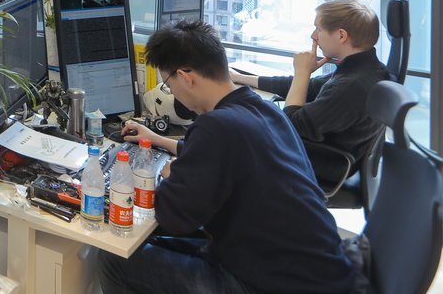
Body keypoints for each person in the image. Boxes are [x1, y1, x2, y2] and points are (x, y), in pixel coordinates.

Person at [99, 20, 357, 294]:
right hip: (318, 271)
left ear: (185, 77)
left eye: (169, 84)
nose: (173, 93)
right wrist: (159, 141)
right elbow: (224, 154)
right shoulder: (264, 109)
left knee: (115, 259)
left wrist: (171, 177)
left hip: (270, 282)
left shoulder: (215, 127)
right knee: (149, 245)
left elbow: (172, 215)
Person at [230, 0, 391, 185]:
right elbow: (308, 86)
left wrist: (302, 72)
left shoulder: (351, 87)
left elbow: (290, 126)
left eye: (319, 29)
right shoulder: (365, 67)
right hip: (321, 151)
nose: (313, 36)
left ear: (341, 35)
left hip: (320, 163)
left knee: (236, 132)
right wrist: (240, 77)